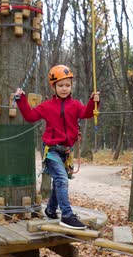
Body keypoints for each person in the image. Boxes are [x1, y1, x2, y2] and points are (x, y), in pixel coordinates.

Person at [15, 65, 100, 230]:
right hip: (52, 150)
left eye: (67, 85)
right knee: (61, 180)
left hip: (66, 152)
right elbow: (30, 116)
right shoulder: (47, 106)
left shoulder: (75, 105)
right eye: (60, 85)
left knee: (59, 181)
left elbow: (87, 113)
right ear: (53, 87)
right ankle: (67, 215)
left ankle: (51, 209)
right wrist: (21, 100)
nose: (64, 89)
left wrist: (93, 101)